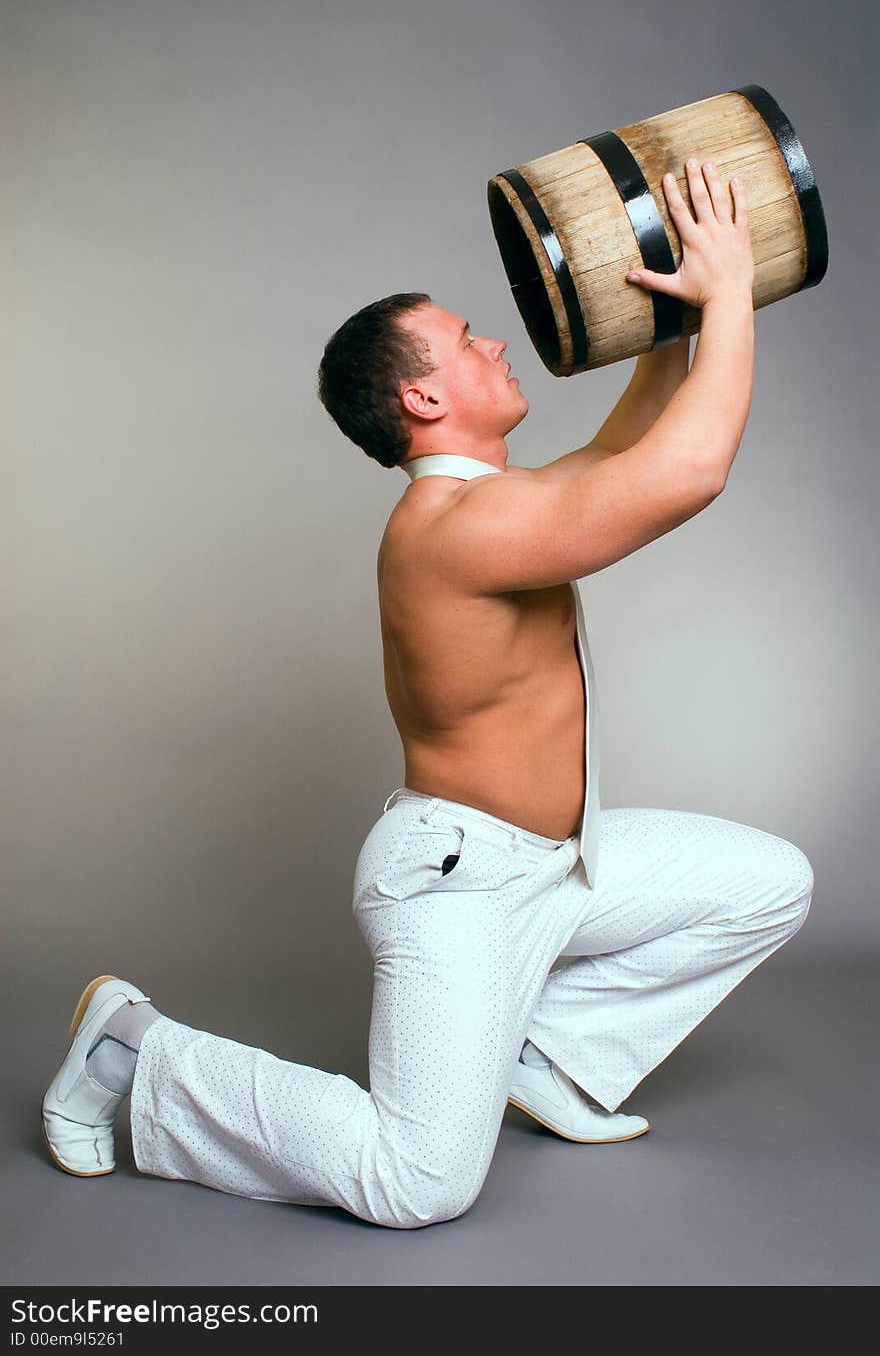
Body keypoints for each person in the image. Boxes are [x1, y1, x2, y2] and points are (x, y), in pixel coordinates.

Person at [42, 158, 813, 1229]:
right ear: (422, 395)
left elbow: (613, 455)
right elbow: (683, 473)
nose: (493, 340)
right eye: (465, 339)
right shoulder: (456, 532)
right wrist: (731, 291)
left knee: (765, 882)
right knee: (418, 1182)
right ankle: (137, 1052)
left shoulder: (491, 502)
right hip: (460, 886)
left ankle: (545, 1058)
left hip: (557, 866)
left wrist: (672, 330)